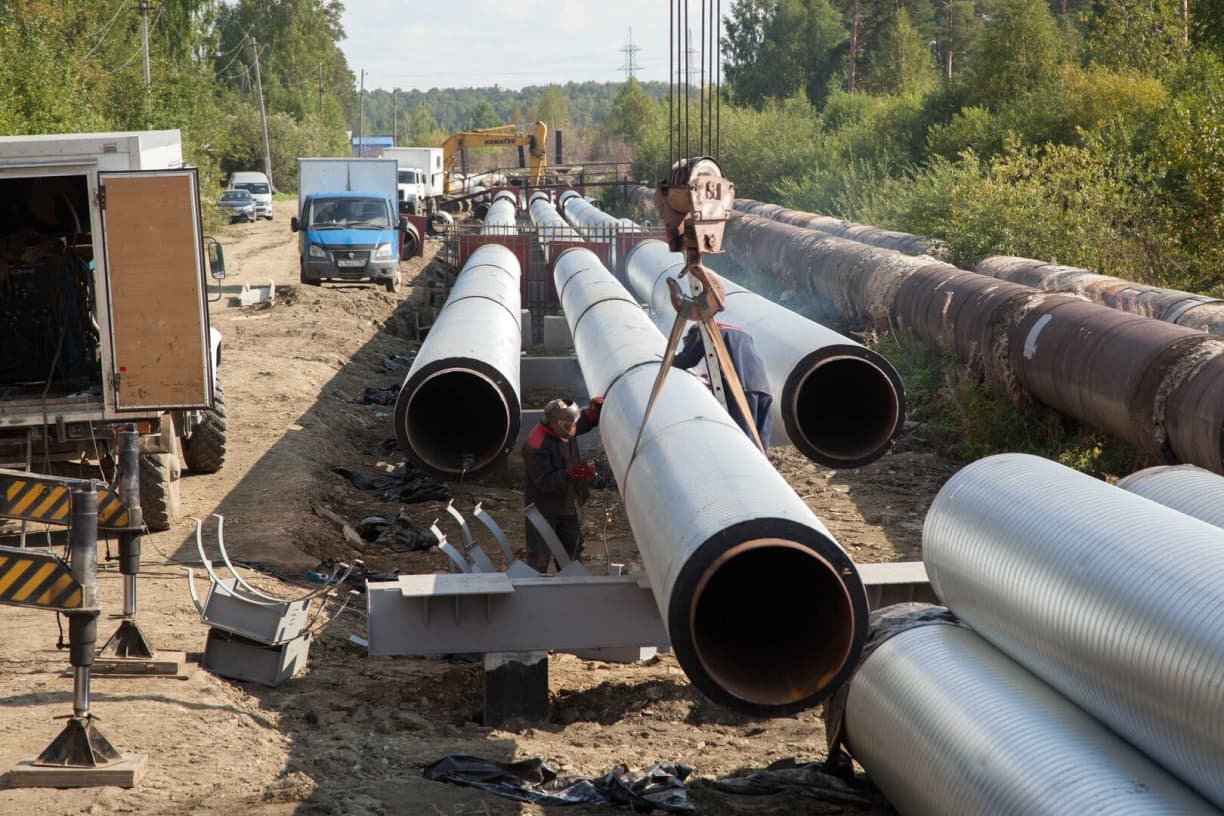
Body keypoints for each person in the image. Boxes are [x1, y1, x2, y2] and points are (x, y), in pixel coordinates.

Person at [521, 395, 604, 572]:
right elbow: (543, 482)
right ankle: (535, 596)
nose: (574, 429)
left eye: (574, 424)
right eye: (571, 425)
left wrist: (591, 415)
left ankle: (572, 593)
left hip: (567, 506)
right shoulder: (536, 444)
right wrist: (572, 474)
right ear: (558, 424)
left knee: (572, 556)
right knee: (539, 560)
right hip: (543, 510)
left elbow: (579, 424)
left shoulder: (564, 427)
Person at [672, 321, 773, 449]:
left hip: (741, 390)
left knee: (744, 442)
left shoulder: (704, 330)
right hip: (763, 388)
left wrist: (669, 360)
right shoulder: (740, 333)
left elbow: (686, 360)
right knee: (761, 446)